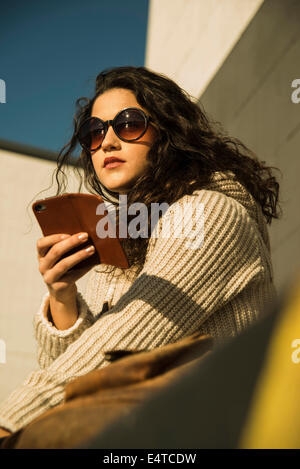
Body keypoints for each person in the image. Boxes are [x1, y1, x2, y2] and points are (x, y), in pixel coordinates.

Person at [0, 66, 281, 437]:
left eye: (129, 124)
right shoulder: (124, 242)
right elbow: (81, 382)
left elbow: (123, 340)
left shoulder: (209, 214)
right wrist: (62, 297)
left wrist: (10, 421)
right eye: (94, 132)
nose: (108, 143)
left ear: (169, 133)